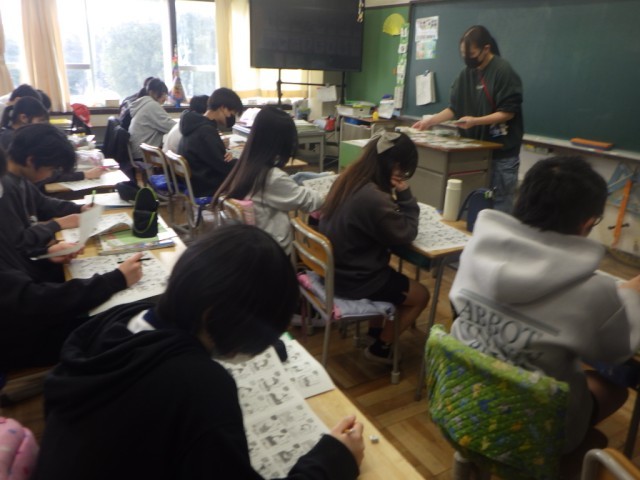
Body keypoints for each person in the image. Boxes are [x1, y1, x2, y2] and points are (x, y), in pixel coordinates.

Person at [33, 225, 364, 480]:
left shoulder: (116, 322)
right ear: (215, 316)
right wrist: (334, 459)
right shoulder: (198, 385)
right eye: (257, 335)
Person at [448, 156, 640, 453]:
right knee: (614, 389)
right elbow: (617, 351)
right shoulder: (593, 291)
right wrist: (631, 293)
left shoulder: (475, 248)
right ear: (587, 223)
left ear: (522, 200)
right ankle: (561, 462)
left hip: (459, 402)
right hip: (532, 430)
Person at [0, 147, 143, 372]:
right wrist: (115, 280)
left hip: (27, 315)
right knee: (126, 324)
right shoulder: (9, 190)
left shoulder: (13, 186)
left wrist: (48, 257)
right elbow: (34, 302)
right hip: (23, 339)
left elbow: (15, 272)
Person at [319, 132, 430, 364]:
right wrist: (405, 196)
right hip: (355, 279)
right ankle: (381, 348)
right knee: (421, 295)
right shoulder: (373, 197)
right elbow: (406, 233)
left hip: (334, 270)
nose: (402, 175)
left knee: (390, 276)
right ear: (395, 166)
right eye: (403, 170)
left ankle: (374, 333)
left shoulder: (348, 178)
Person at [412, 25, 523, 213]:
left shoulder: (503, 71)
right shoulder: (466, 74)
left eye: (471, 54)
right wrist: (429, 121)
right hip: (474, 154)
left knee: (499, 207)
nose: (467, 58)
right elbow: (454, 108)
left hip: (502, 155)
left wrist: (475, 121)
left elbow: (508, 112)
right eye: (463, 54)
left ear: (486, 49)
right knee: (469, 205)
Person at [214, 106, 323, 254]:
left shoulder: (246, 165)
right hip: (274, 252)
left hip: (254, 246)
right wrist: (333, 189)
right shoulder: (271, 177)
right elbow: (309, 202)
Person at [179, 87, 243, 197]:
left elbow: (217, 159)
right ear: (223, 108)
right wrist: (241, 161)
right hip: (206, 187)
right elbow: (225, 167)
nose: (231, 117)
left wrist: (225, 156)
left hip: (195, 182)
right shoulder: (206, 132)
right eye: (232, 113)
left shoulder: (194, 124)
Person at [128, 78, 175, 162]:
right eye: (162, 94)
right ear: (151, 92)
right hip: (145, 155)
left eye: (165, 94)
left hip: (139, 152)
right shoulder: (151, 106)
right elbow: (171, 127)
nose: (165, 97)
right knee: (175, 156)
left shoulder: (143, 104)